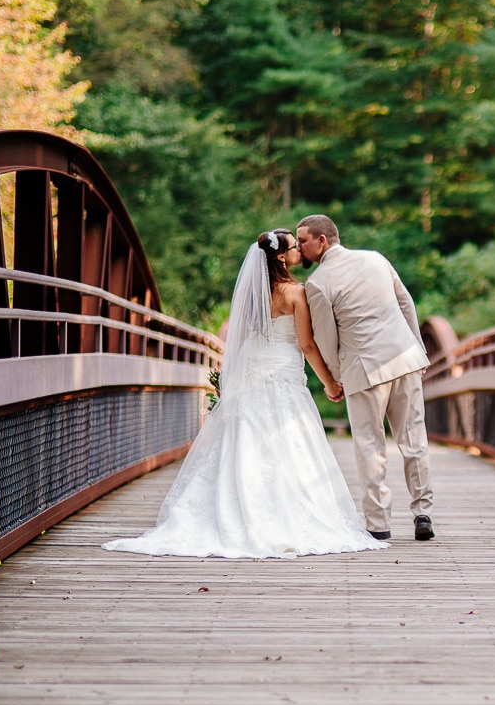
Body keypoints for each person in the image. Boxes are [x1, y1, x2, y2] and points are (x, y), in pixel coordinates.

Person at [102, 230, 388, 558]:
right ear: (282, 256)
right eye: (295, 247)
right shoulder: (295, 293)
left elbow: (237, 338)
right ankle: (281, 513)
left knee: (244, 440)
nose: (299, 251)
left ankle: (234, 510)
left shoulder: (250, 294)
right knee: (288, 440)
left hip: (252, 373)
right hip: (282, 374)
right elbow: (307, 345)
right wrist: (330, 383)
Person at [295, 214, 435, 541]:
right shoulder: (376, 259)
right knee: (414, 439)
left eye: (302, 240)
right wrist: (417, 347)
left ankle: (378, 523)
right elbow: (405, 303)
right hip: (404, 360)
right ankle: (422, 512)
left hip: (364, 370)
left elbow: (326, 340)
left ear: (322, 241)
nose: (299, 247)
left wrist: (335, 380)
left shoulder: (318, 283)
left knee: (370, 446)